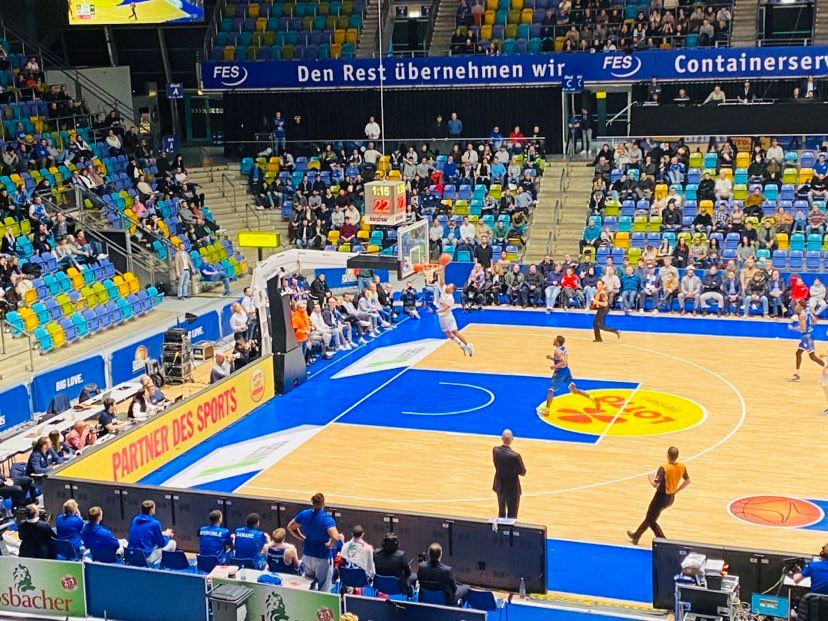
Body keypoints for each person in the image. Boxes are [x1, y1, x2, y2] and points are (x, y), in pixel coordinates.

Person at [626, 446, 690, 545]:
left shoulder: (664, 468)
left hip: (660, 498)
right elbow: (687, 481)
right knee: (650, 517)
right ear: (677, 456)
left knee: (650, 519)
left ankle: (663, 541)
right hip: (671, 498)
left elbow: (655, 484)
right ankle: (636, 536)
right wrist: (676, 491)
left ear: (668, 455)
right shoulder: (682, 466)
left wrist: (650, 478)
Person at [287, 493, 341, 592]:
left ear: (313, 503)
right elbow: (336, 538)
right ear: (323, 503)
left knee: (307, 584)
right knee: (324, 588)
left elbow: (290, 527)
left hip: (307, 555)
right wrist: (330, 546)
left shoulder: (303, 514)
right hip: (322, 557)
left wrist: (302, 537)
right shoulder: (327, 519)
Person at [538, 335, 596, 418]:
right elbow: (560, 359)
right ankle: (591, 397)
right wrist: (551, 358)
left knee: (551, 390)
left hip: (560, 373)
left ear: (558, 342)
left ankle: (547, 409)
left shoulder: (558, 352)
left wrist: (554, 366)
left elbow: (564, 362)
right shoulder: (562, 348)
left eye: (555, 339)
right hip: (566, 371)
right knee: (574, 390)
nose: (554, 340)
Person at [127, 499, 177, 564]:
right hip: (144, 558)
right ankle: (166, 566)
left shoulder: (135, 519)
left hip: (131, 555)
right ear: (151, 510)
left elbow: (146, 533)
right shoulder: (155, 523)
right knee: (172, 543)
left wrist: (162, 533)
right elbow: (161, 543)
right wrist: (167, 535)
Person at [492, 429, 526, 519]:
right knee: (512, 515)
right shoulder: (515, 456)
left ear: (502, 438)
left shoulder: (495, 450)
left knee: (501, 512)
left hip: (499, 486)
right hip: (512, 489)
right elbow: (523, 472)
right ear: (512, 439)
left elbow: (496, 464)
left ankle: (501, 527)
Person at [787, 301, 825, 382]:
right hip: (807, 336)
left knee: (813, 357)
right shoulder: (807, 312)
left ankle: (826, 367)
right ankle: (796, 375)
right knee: (798, 353)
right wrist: (809, 326)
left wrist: (792, 328)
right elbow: (815, 321)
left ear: (801, 307)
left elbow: (802, 329)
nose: (795, 306)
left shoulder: (802, 315)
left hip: (806, 337)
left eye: (797, 305)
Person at [437, 283, 474, 356]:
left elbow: (444, 309)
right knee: (448, 334)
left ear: (452, 290)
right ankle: (462, 345)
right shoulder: (443, 289)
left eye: (449, 286)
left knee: (455, 333)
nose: (447, 286)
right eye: (447, 285)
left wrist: (435, 311)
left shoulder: (450, 299)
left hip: (448, 317)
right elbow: (441, 278)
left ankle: (468, 345)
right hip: (441, 317)